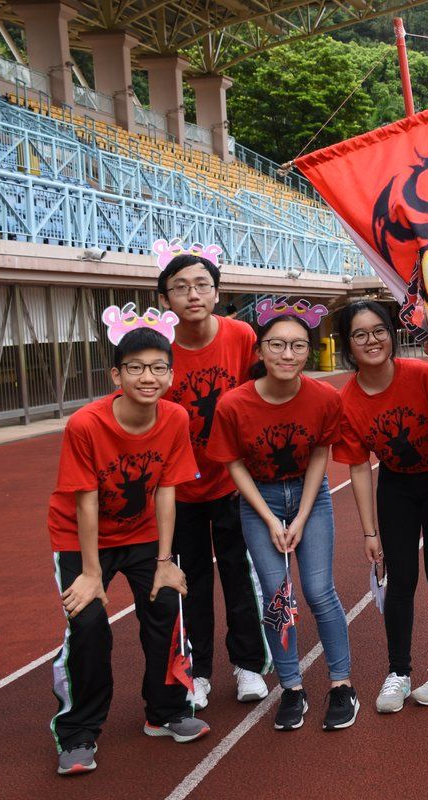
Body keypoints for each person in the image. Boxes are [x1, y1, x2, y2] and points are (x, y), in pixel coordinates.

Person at [49, 322, 209, 776]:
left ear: (171, 376)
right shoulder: (86, 424)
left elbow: (166, 490)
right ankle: (78, 732)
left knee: (166, 607)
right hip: (80, 536)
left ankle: (166, 710)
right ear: (115, 375)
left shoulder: (175, 418)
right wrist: (92, 573)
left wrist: (164, 561)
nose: (147, 377)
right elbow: (85, 499)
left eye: (159, 368)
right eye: (135, 367)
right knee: (89, 624)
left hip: (142, 535)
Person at [207, 310, 359, 731]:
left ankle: (341, 683)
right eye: (277, 344)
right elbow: (233, 465)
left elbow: (319, 457)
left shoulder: (324, 397)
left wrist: (303, 513)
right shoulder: (234, 403)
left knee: (318, 590)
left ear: (308, 351)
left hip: (310, 496)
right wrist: (271, 519)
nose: (287, 353)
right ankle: (291, 688)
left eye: (297, 345)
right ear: (260, 350)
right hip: (259, 499)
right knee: (277, 596)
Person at [332, 300, 428, 713]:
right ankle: (399, 672)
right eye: (360, 334)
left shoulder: (423, 376)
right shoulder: (348, 400)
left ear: (392, 334)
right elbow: (358, 468)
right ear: (347, 345)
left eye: (378, 330)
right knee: (401, 579)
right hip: (396, 487)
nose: (371, 340)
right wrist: (370, 532)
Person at [159, 251, 269, 709]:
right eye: (181, 287)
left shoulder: (241, 335)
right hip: (180, 487)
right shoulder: (158, 348)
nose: (193, 294)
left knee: (240, 578)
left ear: (217, 292)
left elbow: (261, 394)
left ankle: (247, 665)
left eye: (201, 284)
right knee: (192, 582)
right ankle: (198, 671)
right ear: (165, 299)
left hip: (231, 481)